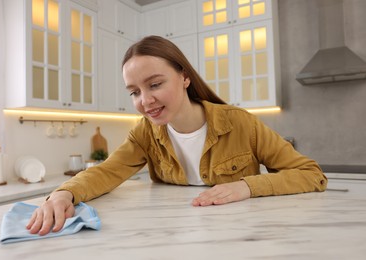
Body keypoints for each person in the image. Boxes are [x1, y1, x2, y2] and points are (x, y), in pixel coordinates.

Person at [27, 35, 327, 236]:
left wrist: (246, 187)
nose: (145, 101)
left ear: (184, 77)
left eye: (155, 84)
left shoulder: (241, 124)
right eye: (134, 92)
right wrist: (64, 193)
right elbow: (106, 172)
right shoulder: (144, 133)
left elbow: (311, 174)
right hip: (174, 235)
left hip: (240, 235)